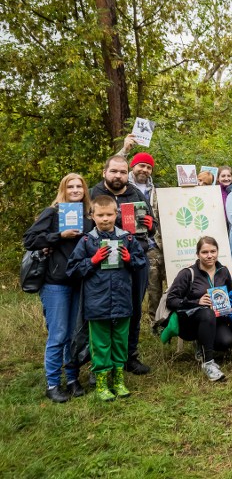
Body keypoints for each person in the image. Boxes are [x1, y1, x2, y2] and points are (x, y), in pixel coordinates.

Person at [66, 195, 147, 401]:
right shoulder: (86, 241)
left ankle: (118, 381)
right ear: (92, 216)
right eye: (100, 215)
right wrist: (92, 261)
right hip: (97, 302)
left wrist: (130, 260)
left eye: (109, 214)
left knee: (120, 341)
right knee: (100, 343)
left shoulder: (127, 238)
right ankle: (102, 382)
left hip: (122, 300)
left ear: (116, 214)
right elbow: (72, 270)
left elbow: (140, 262)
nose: (105, 219)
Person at [23, 173, 95, 402]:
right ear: (63, 190)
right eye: (70, 186)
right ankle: (53, 383)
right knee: (59, 334)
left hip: (79, 282)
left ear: (84, 191)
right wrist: (58, 236)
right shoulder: (52, 214)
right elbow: (30, 240)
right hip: (55, 283)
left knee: (75, 335)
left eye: (79, 187)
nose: (75, 190)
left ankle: (72, 378)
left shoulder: (87, 217)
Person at [90, 155, 156, 375]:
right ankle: (101, 362)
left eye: (121, 172)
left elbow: (151, 223)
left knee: (134, 309)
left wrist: (150, 224)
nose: (118, 176)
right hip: (103, 262)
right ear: (105, 172)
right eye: (114, 171)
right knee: (101, 312)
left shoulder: (135, 193)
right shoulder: (94, 194)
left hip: (135, 260)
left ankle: (130, 356)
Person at [117, 136, 168, 338]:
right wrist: (125, 150)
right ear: (133, 167)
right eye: (141, 166)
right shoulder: (123, 186)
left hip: (156, 243)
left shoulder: (156, 190)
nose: (144, 170)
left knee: (159, 284)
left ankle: (160, 321)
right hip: (130, 243)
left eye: (148, 167)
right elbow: (113, 169)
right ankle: (141, 324)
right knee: (142, 287)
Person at [165, 237, 232, 382]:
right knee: (207, 313)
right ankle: (208, 363)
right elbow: (171, 300)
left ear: (218, 252)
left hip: (217, 319)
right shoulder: (187, 273)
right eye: (205, 252)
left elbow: (229, 293)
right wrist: (197, 302)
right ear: (198, 254)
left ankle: (202, 344)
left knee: (225, 342)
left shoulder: (223, 271)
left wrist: (229, 305)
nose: (210, 255)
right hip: (190, 322)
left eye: (213, 251)